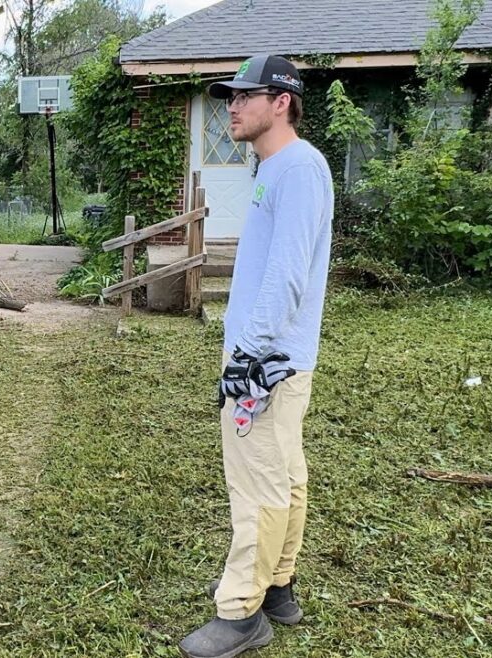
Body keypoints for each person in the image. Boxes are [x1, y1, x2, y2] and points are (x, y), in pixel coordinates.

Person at [178, 55, 333, 658]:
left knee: (257, 486)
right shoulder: (282, 167)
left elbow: (288, 273)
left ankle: (242, 613)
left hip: (265, 361)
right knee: (286, 475)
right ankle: (278, 587)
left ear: (282, 101)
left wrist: (248, 353)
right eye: (230, 97)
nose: (233, 106)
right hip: (282, 358)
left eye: (246, 95)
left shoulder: (296, 168)